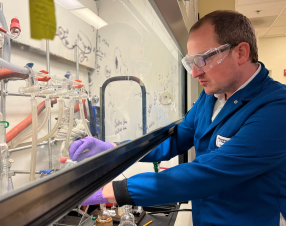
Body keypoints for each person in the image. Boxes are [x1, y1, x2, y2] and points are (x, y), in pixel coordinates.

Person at [69, 10, 286, 226]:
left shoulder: (276, 109)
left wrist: (110, 191)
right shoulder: (211, 96)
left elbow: (206, 173)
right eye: (190, 62)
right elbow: (175, 139)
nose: (194, 73)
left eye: (202, 59)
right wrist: (114, 150)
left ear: (240, 52)